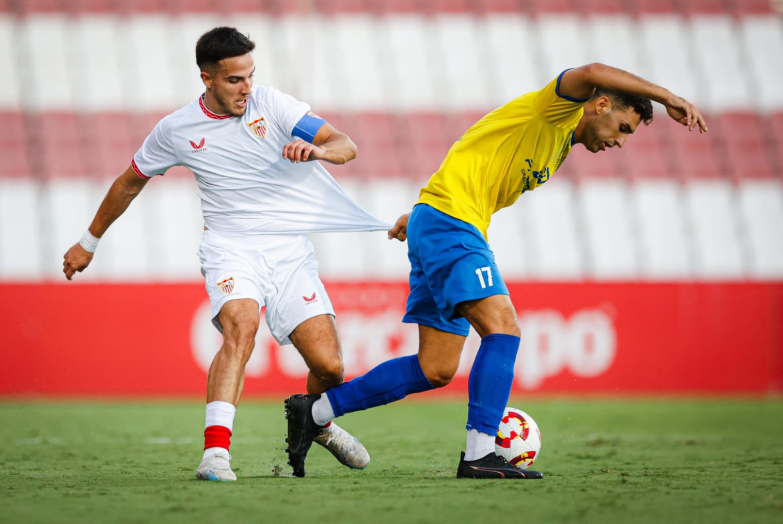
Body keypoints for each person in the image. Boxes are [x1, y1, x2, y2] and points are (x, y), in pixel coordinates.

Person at [285, 63, 708, 479]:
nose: (621, 141)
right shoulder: (554, 111)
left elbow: (476, 161)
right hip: (452, 224)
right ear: (600, 105)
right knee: (504, 329)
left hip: (437, 220)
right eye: (624, 128)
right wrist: (667, 96)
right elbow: (592, 69)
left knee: (436, 367)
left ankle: (316, 411)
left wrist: (420, 216)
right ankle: (480, 453)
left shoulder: (558, 144)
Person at [63, 27, 392, 481]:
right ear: (207, 78)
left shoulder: (273, 105)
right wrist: (88, 242)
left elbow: (345, 144)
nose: (247, 88)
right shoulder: (176, 129)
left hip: (289, 250)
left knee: (330, 366)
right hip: (230, 247)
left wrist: (316, 150)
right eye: (236, 79)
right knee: (241, 327)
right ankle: (215, 456)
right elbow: (129, 181)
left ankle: (316, 423)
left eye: (251, 76)